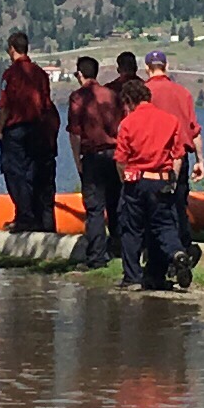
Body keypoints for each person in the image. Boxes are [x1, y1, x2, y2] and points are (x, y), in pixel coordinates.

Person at [111, 55, 197, 290]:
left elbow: (120, 159)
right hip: (162, 181)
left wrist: (124, 180)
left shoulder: (128, 123)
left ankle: (132, 277)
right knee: (164, 227)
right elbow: (178, 155)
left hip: (136, 181)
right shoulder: (170, 121)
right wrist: (172, 179)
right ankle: (175, 256)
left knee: (132, 230)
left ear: (129, 100)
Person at [144, 53, 204, 282]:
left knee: (155, 212)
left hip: (155, 158)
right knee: (178, 206)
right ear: (166, 66)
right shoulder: (183, 93)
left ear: (147, 67)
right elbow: (194, 129)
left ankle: (163, 258)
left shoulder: (144, 93)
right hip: (181, 156)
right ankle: (183, 248)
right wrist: (200, 160)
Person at [0, 30, 60, 238]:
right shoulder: (40, 74)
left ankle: (24, 216)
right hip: (38, 129)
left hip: (17, 129)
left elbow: (5, 105)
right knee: (35, 172)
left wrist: (0, 129)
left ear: (11, 49)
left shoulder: (11, 75)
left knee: (15, 173)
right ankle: (39, 218)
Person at [63, 53, 124, 268]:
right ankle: (121, 246)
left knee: (95, 207)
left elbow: (75, 132)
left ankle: (97, 256)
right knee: (116, 202)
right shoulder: (112, 95)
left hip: (93, 155)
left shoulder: (79, 97)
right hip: (115, 154)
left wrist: (77, 160)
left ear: (80, 74)